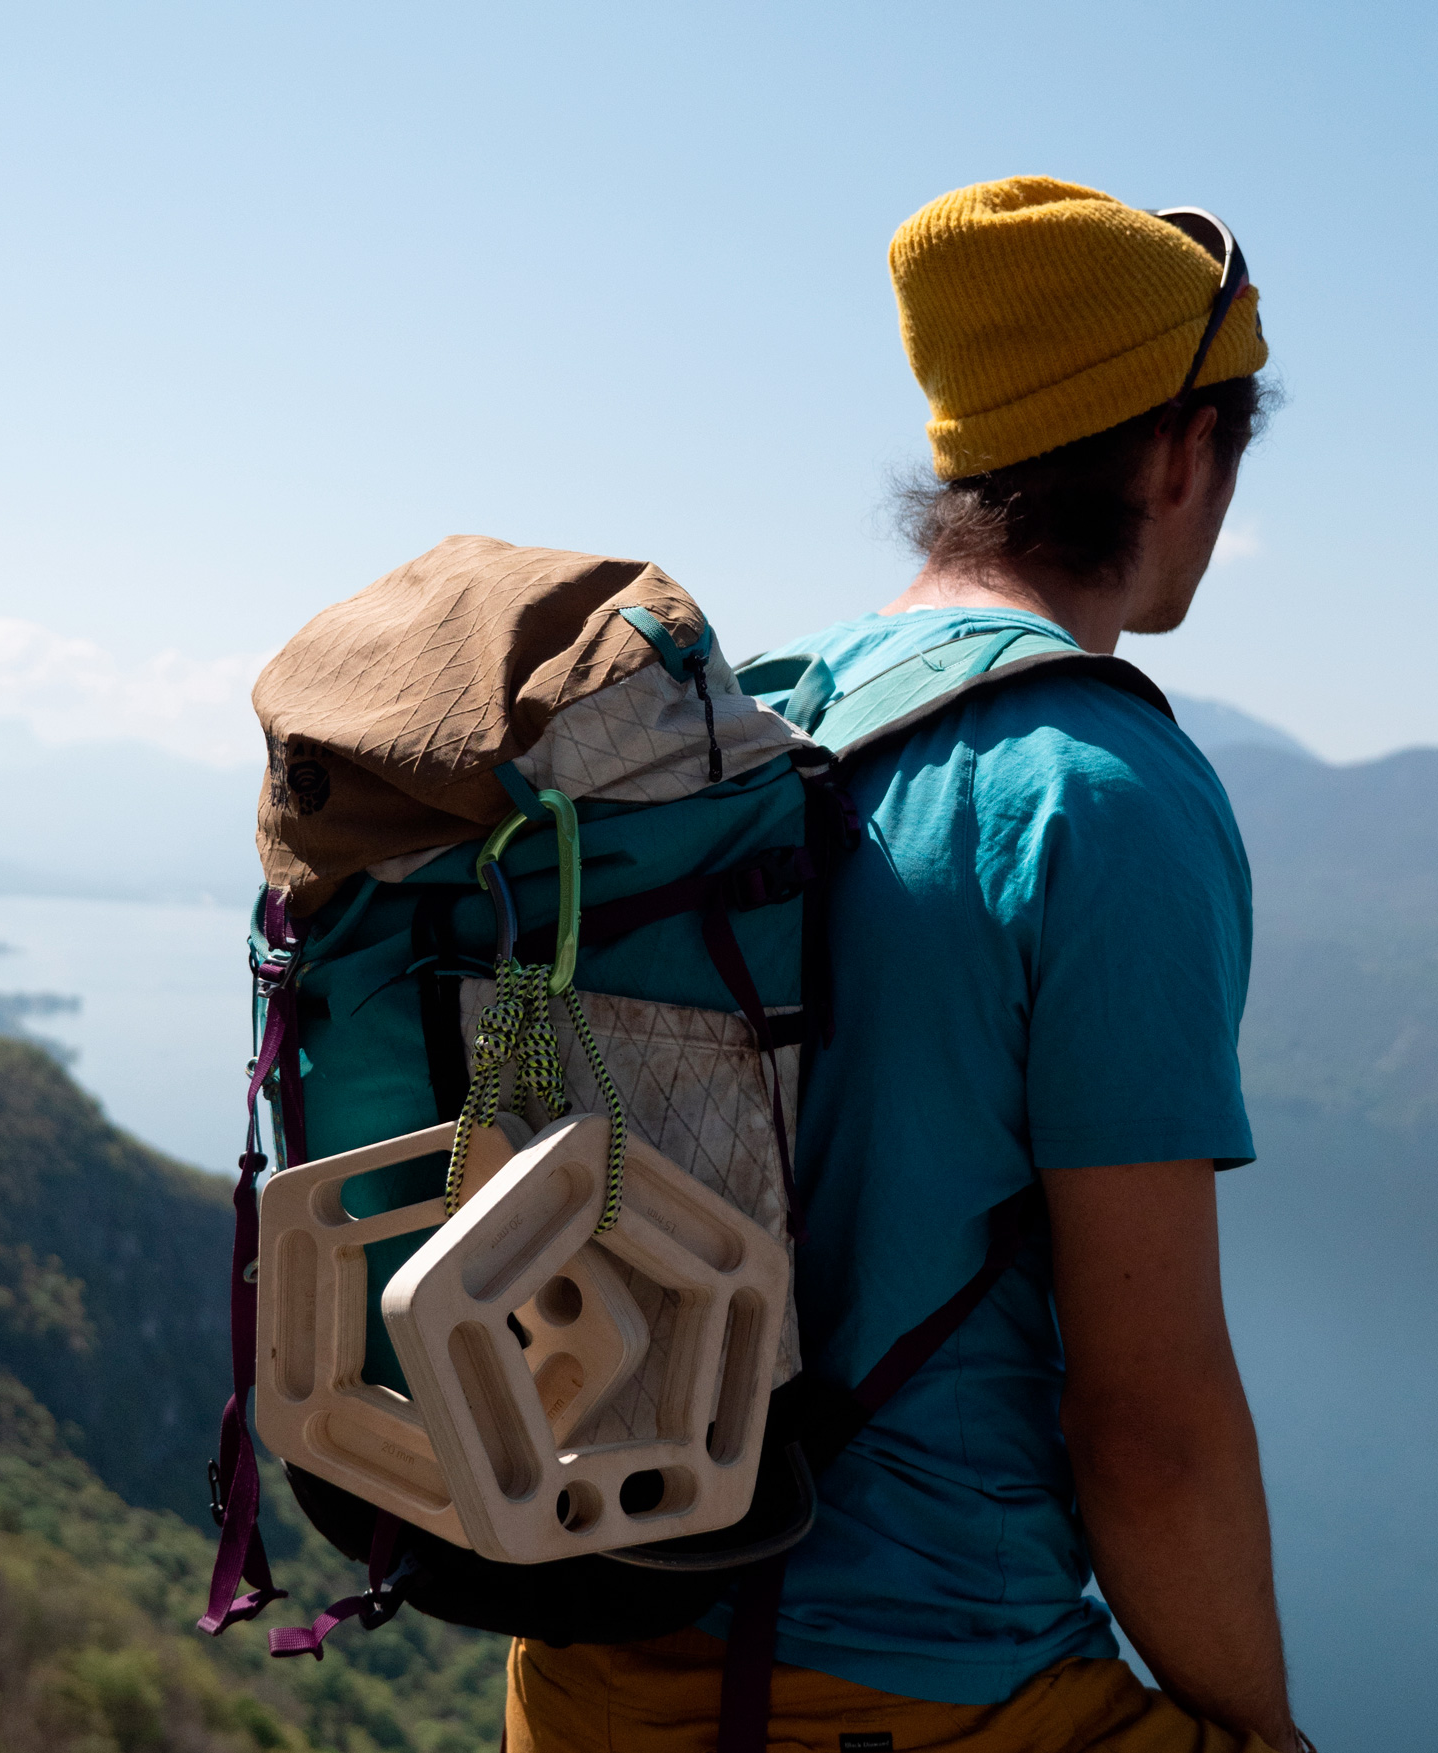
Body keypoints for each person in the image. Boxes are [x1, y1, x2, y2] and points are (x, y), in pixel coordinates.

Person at [507, 176, 1310, 1753]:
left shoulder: (749, 721)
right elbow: (1147, 1430)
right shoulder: (1097, 793)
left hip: (589, 1661)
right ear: (1177, 451)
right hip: (908, 1695)